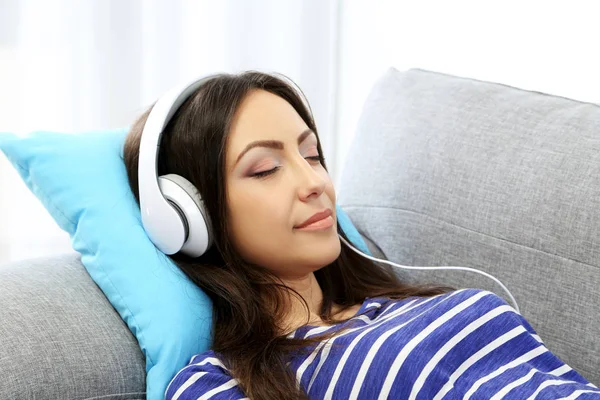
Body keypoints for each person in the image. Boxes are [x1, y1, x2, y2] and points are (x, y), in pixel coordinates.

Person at [122, 71, 599, 400]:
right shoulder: (223, 382)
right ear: (191, 217)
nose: (314, 183)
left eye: (311, 156)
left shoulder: (406, 305)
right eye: (265, 169)